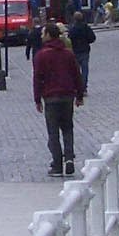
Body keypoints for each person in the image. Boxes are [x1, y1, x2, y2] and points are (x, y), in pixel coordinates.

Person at [32, 22, 84, 177]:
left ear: (48, 35)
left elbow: (37, 78)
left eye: (43, 33)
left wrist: (37, 99)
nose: (41, 36)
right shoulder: (68, 53)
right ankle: (69, 159)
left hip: (51, 97)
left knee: (53, 132)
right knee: (68, 129)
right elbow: (77, 74)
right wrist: (79, 95)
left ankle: (57, 164)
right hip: (67, 96)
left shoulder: (41, 55)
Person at [68, 12, 97, 87]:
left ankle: (78, 86)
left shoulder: (72, 29)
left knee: (76, 71)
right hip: (84, 50)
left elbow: (69, 40)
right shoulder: (86, 27)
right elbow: (92, 38)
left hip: (75, 51)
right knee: (85, 70)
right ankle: (84, 86)